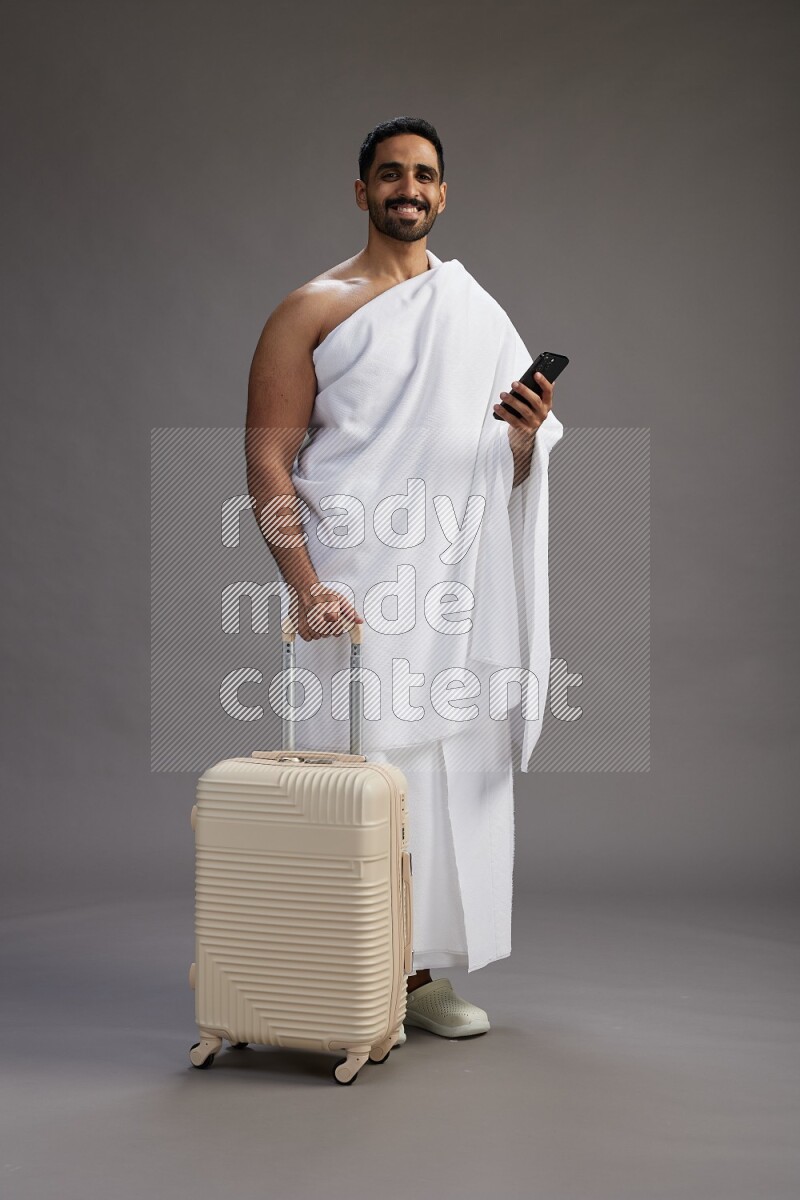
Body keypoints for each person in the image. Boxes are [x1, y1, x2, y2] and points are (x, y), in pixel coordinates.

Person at [245, 116, 560, 1041]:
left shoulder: (478, 312)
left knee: (443, 776)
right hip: (352, 584)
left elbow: (502, 471)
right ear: (362, 192)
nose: (408, 189)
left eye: (424, 175)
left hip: (452, 584)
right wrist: (304, 586)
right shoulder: (311, 308)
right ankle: (341, 974)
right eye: (390, 175)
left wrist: (522, 438)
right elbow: (267, 462)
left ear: (443, 194)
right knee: (354, 777)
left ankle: (419, 975)